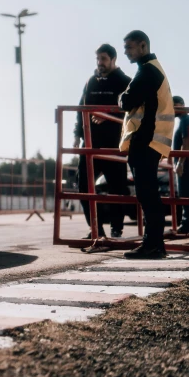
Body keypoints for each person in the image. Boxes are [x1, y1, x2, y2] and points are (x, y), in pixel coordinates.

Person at [118, 30, 174, 259]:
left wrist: (121, 97)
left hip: (146, 140)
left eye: (129, 47)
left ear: (143, 46)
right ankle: (155, 244)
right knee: (149, 193)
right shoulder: (153, 69)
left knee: (147, 194)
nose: (126, 52)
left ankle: (152, 245)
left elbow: (127, 101)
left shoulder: (147, 71)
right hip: (150, 141)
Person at [73, 44, 131, 244]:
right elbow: (81, 107)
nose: (100, 63)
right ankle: (95, 228)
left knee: (118, 188)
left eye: (104, 59)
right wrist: (76, 134)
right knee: (83, 185)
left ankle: (116, 229)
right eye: (98, 59)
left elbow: (133, 111)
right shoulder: (91, 82)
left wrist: (110, 114)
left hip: (115, 145)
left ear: (113, 60)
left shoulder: (125, 82)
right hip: (90, 144)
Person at [171, 96, 189, 233]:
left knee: (185, 194)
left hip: (185, 164)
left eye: (175, 105)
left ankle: (186, 224)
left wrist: (181, 163)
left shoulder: (185, 119)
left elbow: (186, 141)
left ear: (182, 105)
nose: (173, 109)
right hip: (183, 162)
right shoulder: (182, 121)